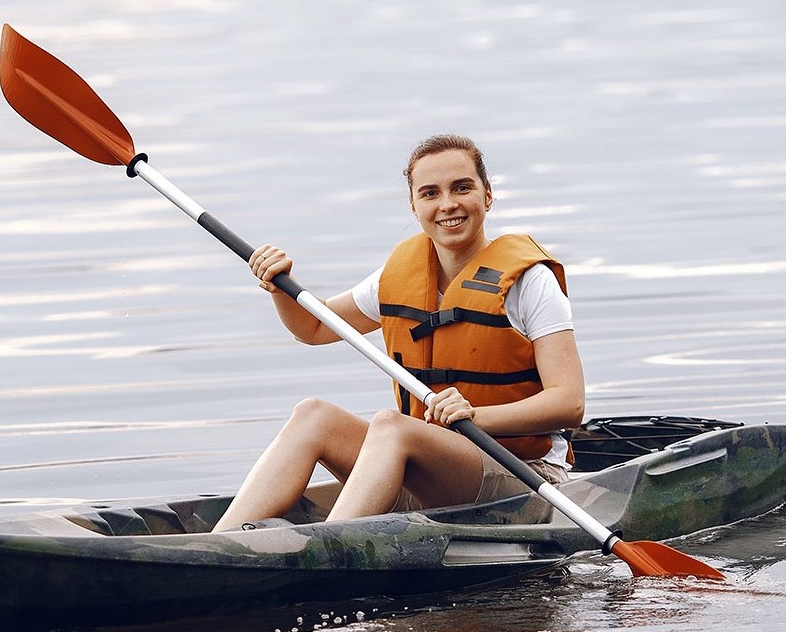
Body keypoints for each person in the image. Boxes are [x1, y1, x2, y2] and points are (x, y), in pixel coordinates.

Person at [211, 134, 585, 532]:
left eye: (462, 188)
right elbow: (315, 327)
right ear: (414, 205)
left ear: (487, 195)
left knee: (392, 427)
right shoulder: (399, 275)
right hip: (430, 471)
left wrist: (477, 416)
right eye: (430, 193)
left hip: (527, 479)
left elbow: (569, 403)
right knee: (313, 415)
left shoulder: (531, 282)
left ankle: (327, 548)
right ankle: (216, 544)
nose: (447, 205)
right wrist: (279, 286)